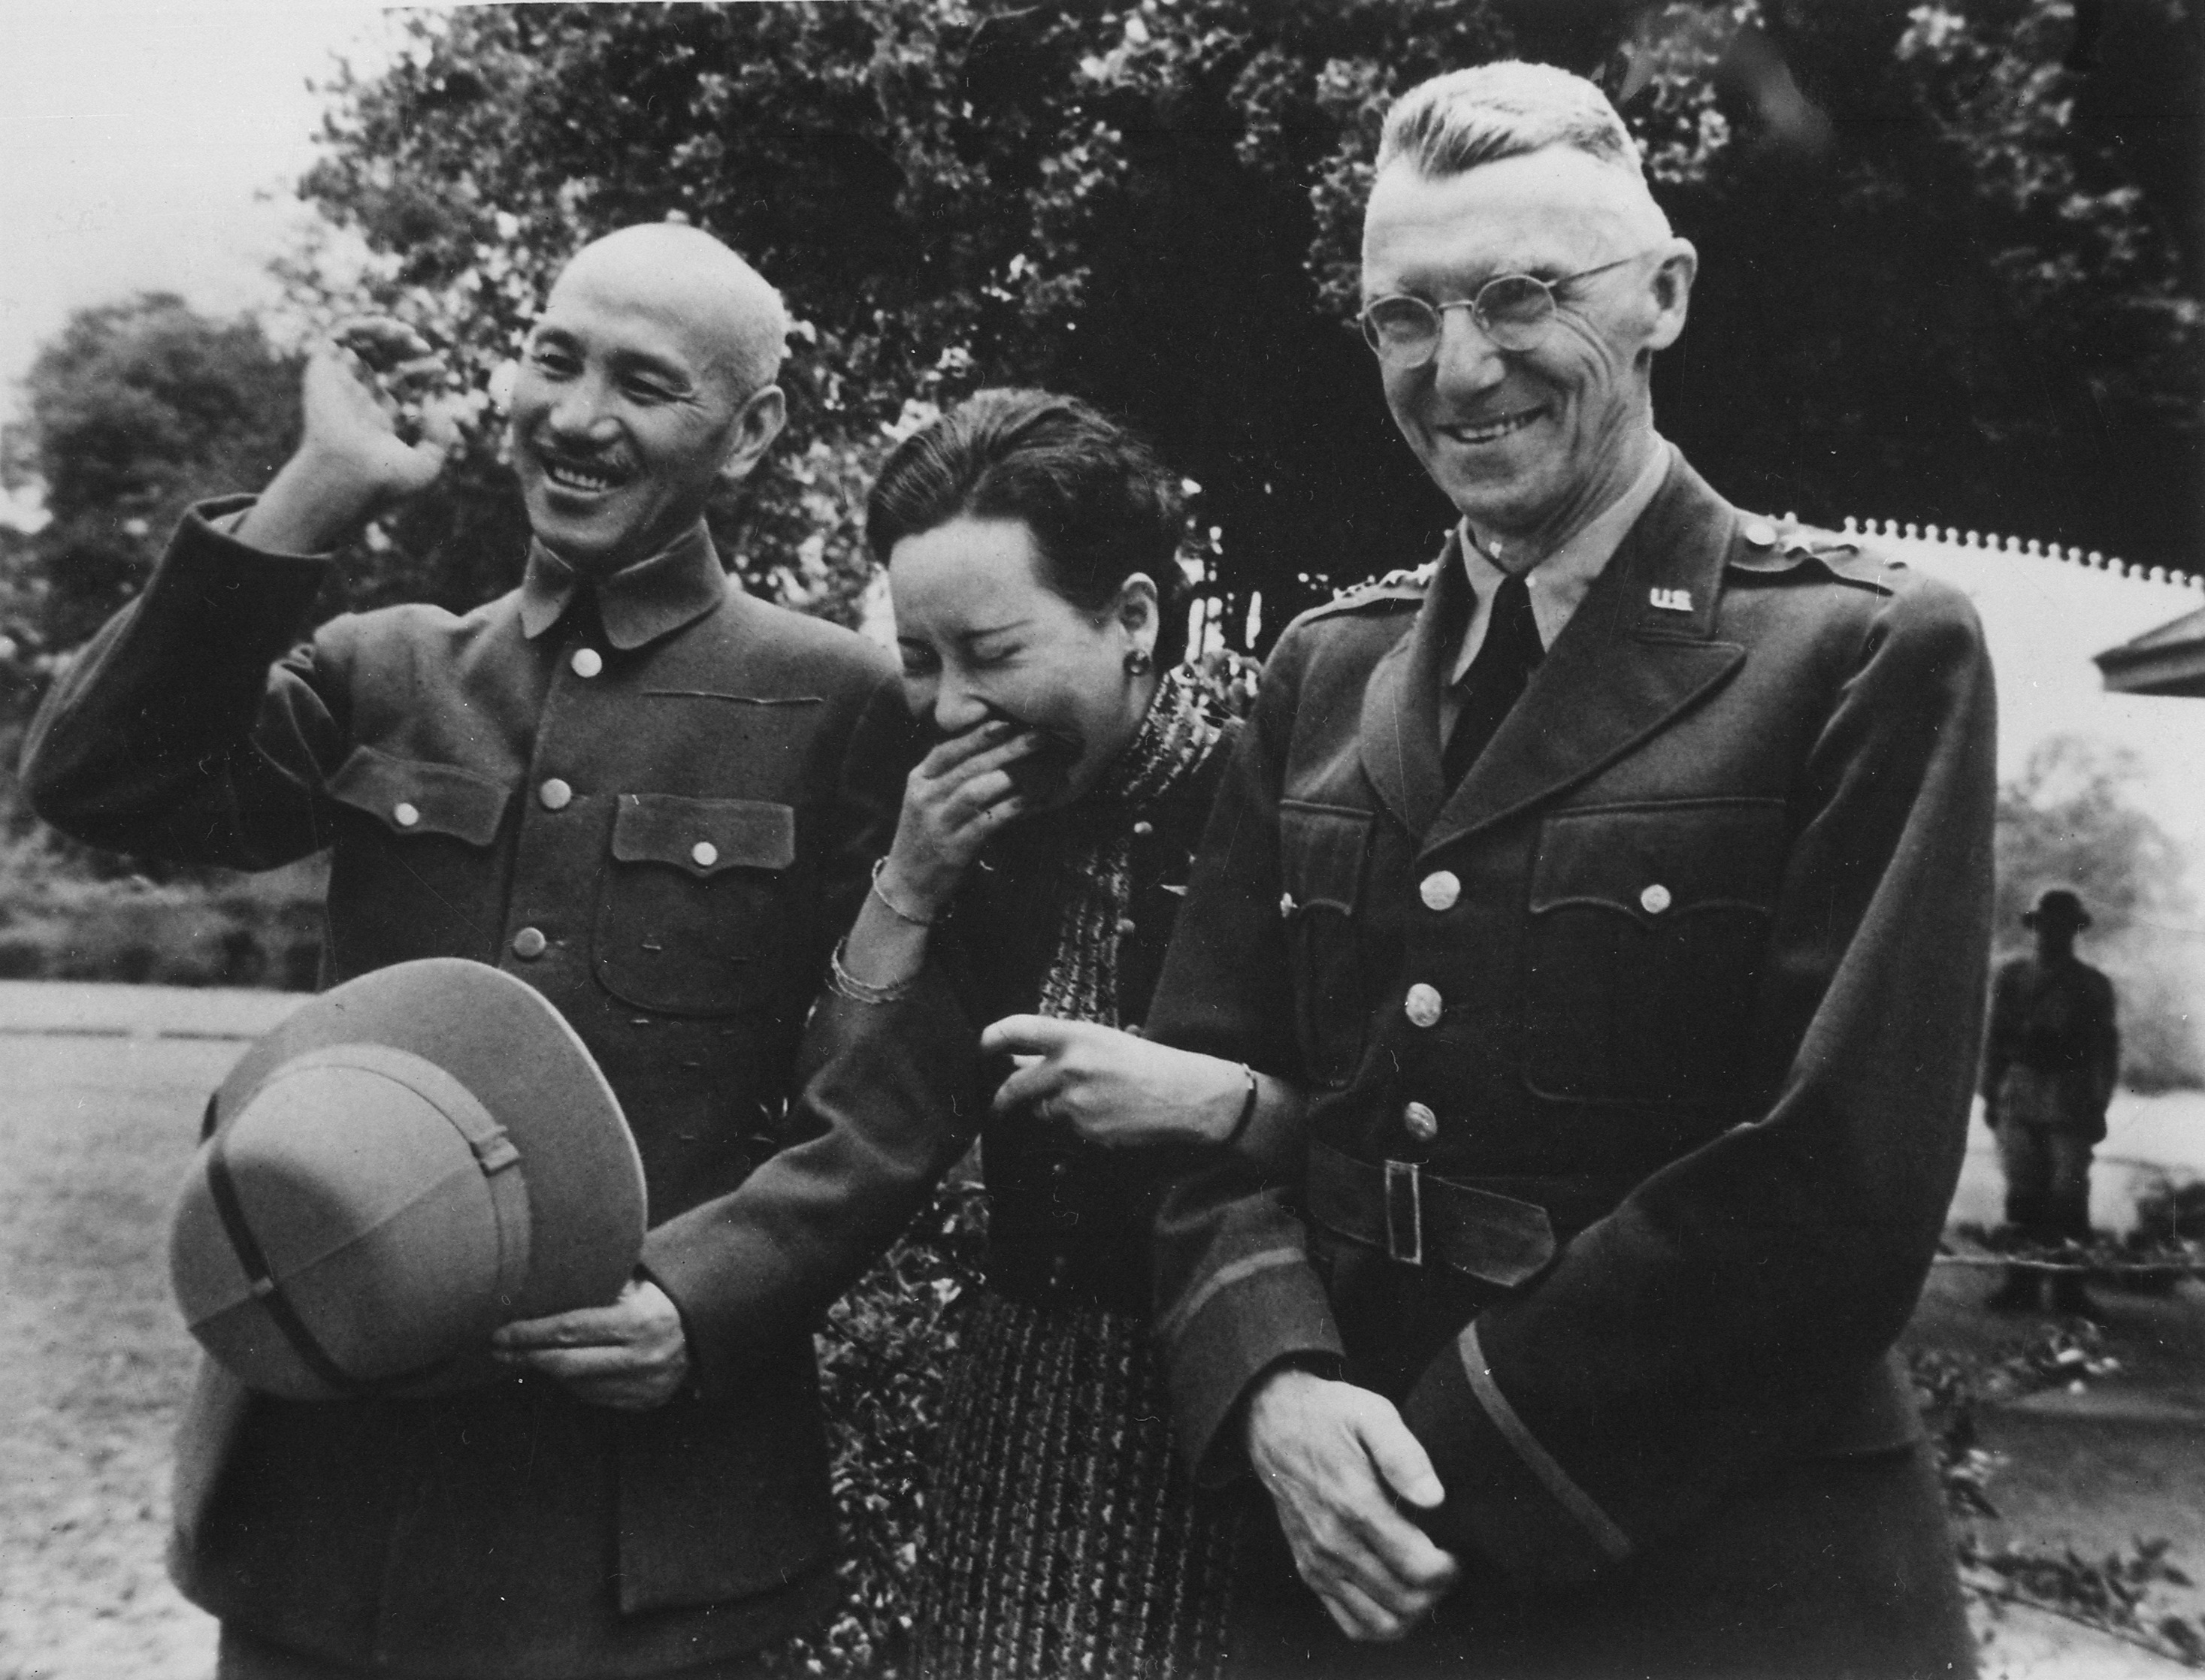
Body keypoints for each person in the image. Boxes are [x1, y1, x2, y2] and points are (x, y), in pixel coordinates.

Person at [1141, 62, 1997, 1676]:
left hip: (1719, 1574)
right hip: (1349, 1569)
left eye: (1522, 294)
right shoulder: (1328, 671)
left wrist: (1424, 1456)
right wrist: (1277, 1383)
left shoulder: (1863, 656)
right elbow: (1201, 1091)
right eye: (1406, 316)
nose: (1460, 370)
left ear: (1663, 294)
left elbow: (1835, 1184)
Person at [20, 222, 914, 1679]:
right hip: (333, 1503)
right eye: (554, 358)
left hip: (641, 1532)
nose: (576, 415)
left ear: (750, 433)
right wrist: (316, 492)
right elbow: (94, 777)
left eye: (643, 381)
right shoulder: (386, 669)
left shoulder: (841, 702)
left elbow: (891, 1081)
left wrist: (712, 1291)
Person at [655, 388, 1308, 1678]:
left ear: (1132, 619)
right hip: (1026, 1408)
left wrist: (1229, 1103)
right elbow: (865, 1121)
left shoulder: (1279, 787)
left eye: (993, 654)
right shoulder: (961, 829)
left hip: (1253, 1400)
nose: (949, 708)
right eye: (917, 657)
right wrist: (907, 885)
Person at [1982, 887, 2121, 1316]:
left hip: (2071, 1092)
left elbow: (2106, 1050)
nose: (2051, 934)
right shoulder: (2012, 978)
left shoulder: (2092, 985)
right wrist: (1990, 1092)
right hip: (2020, 1090)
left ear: (2074, 931)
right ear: (2035, 927)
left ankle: (2069, 1290)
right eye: (2045, 925)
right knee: (2022, 1193)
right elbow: (1996, 1039)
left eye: (2062, 926)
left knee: (2069, 1195)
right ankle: (2020, 1283)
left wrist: (2100, 1103)